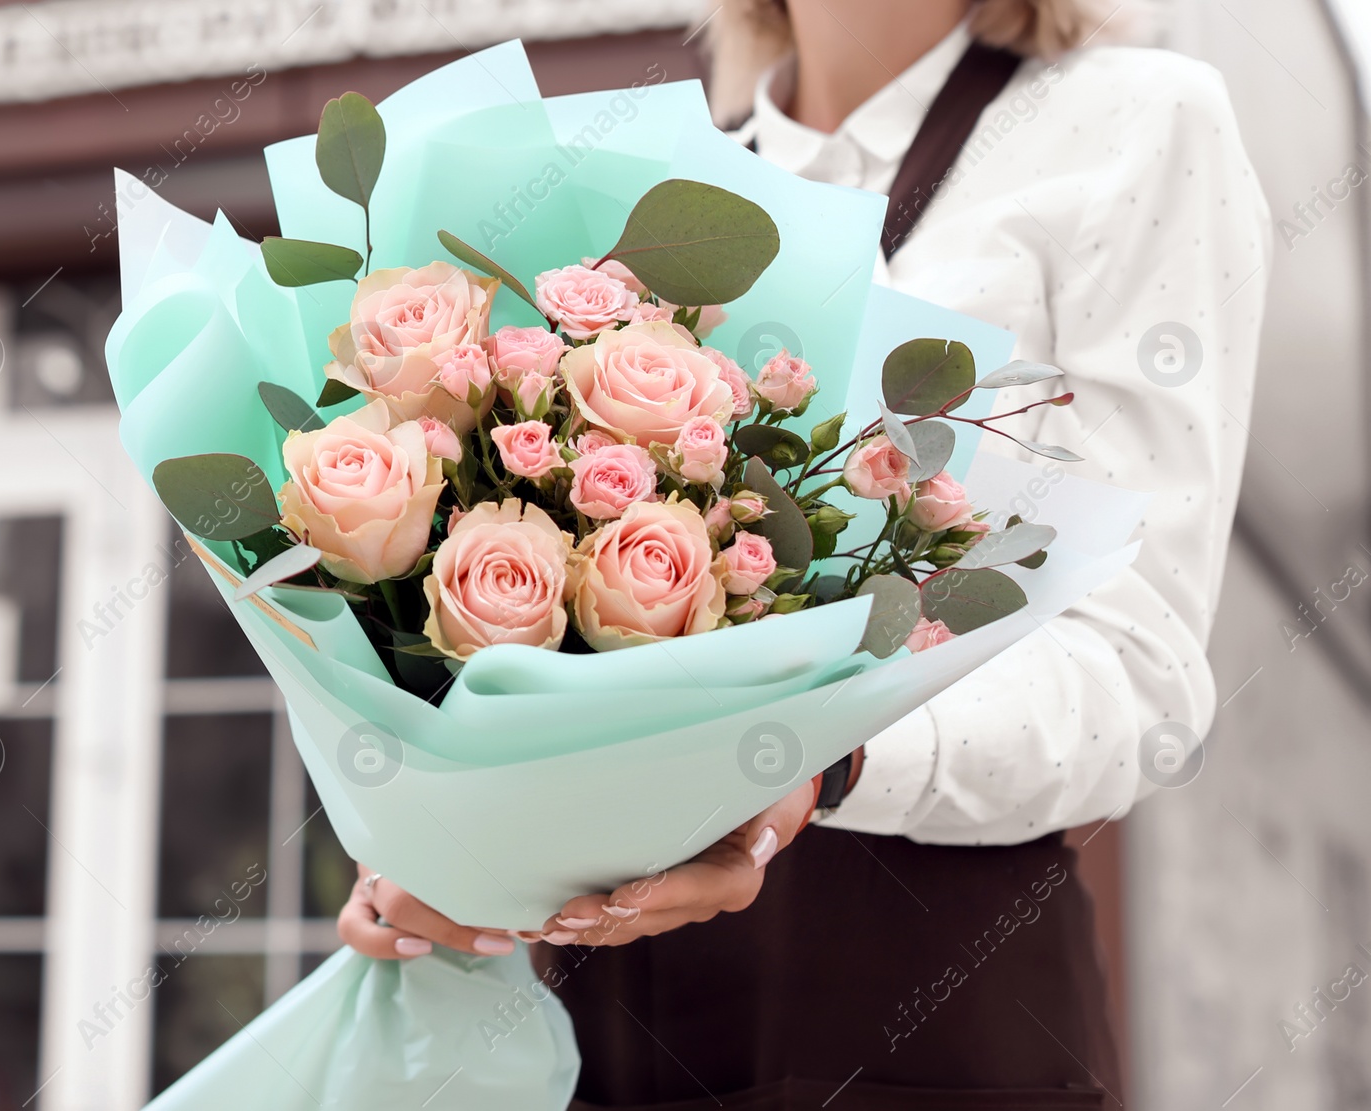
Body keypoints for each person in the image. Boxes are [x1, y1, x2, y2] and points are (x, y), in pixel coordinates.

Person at [338, 0, 1271, 1106]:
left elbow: (1136, 670)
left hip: (928, 1006)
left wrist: (814, 760)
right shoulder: (660, 196)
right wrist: (453, 835)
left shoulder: (1134, 119)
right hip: (625, 1016)